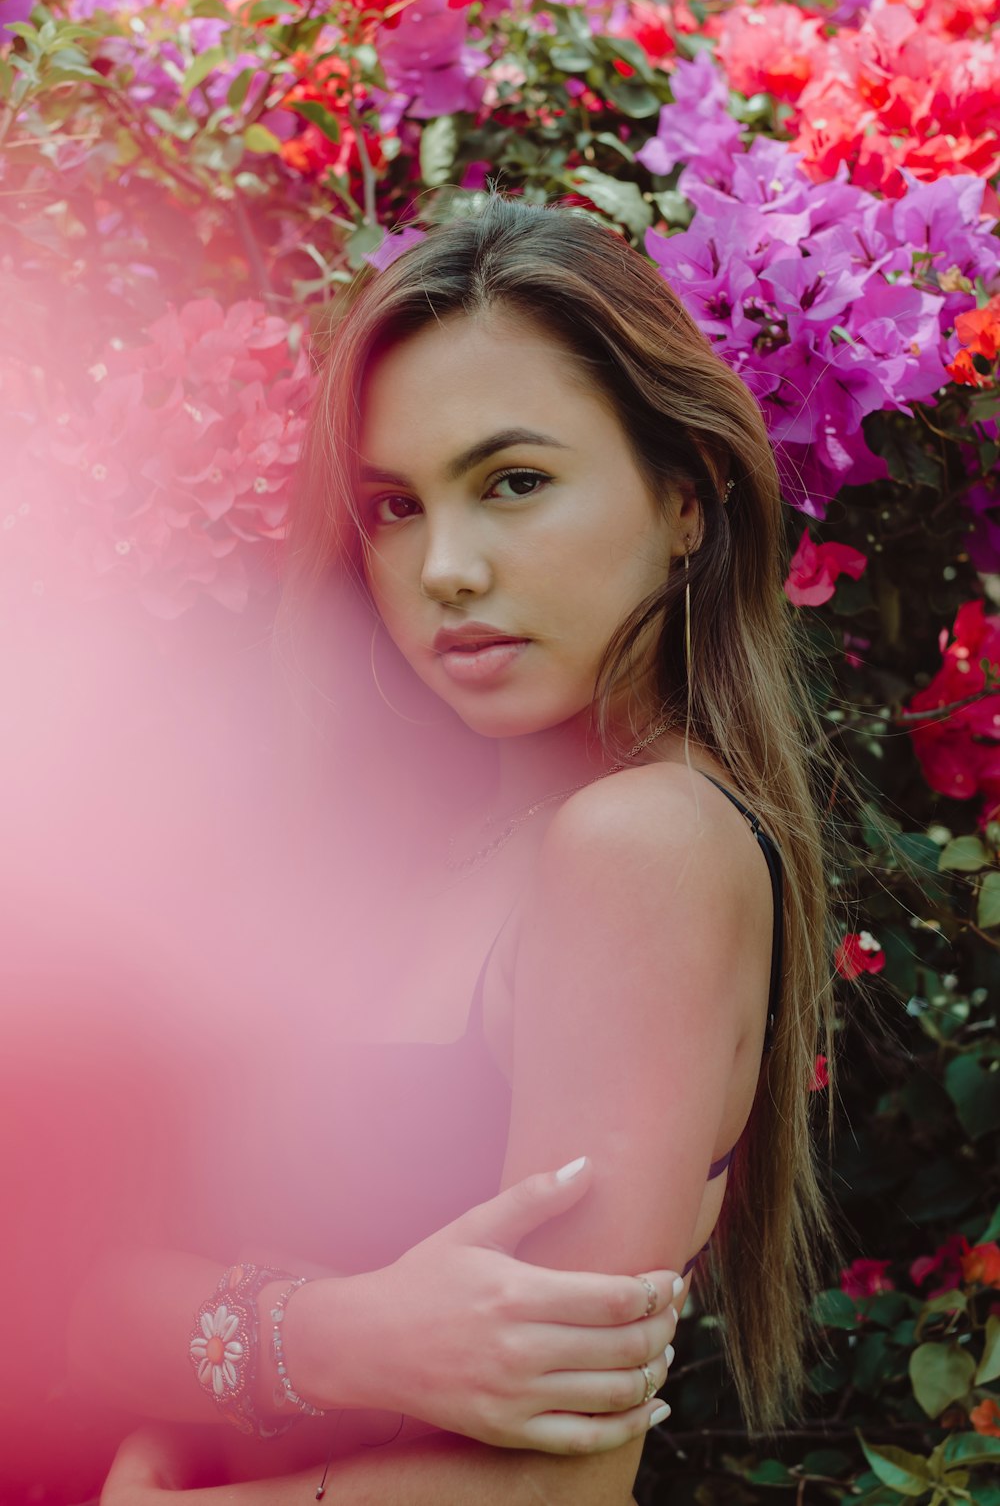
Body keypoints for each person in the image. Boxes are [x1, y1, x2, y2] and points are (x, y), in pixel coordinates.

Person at [86, 190, 837, 1506]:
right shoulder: (407, 847)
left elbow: (549, 1486)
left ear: (687, 497)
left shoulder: (643, 845)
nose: (446, 566)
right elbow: (73, 1303)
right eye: (393, 507)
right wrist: (343, 1334)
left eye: (516, 483)